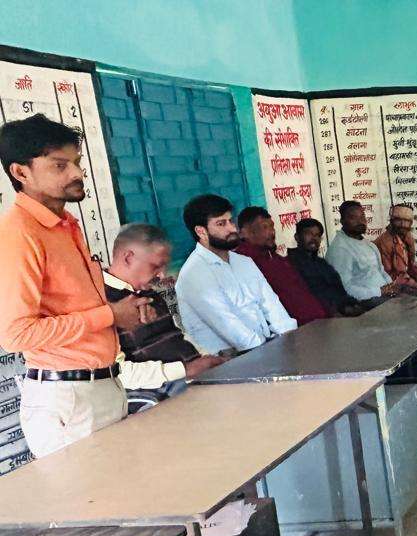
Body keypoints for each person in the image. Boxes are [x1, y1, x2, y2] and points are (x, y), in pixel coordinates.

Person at [0, 115, 146, 457]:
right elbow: (16, 334)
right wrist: (108, 316)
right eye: (60, 165)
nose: (77, 173)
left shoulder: (66, 225)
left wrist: (118, 315)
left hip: (102, 386)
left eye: (77, 162)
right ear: (21, 173)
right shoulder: (19, 234)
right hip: (67, 400)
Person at [103, 223, 223, 390]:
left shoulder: (149, 290)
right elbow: (118, 375)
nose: (162, 275)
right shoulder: (100, 301)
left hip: (192, 376)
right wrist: (185, 370)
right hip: (158, 391)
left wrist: (207, 358)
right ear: (128, 258)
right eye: (155, 266)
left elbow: (177, 334)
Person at [175, 194, 297, 355]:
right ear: (201, 231)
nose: (232, 229)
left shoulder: (243, 262)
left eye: (230, 221)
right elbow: (231, 328)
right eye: (221, 224)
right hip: (227, 360)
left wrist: (290, 337)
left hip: (266, 348)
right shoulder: (194, 274)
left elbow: (271, 304)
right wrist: (270, 350)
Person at [233, 206, 330, 325]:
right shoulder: (243, 262)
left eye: (272, 226)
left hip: (318, 322)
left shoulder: (275, 258)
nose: (272, 232)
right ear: (244, 233)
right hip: (294, 330)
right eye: (264, 227)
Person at [325, 200, 412, 302]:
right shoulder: (340, 249)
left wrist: (391, 287)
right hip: (364, 302)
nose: (360, 221)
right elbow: (344, 289)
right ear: (342, 221)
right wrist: (380, 291)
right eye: (353, 217)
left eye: (362, 217)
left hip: (385, 295)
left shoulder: (369, 245)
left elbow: (381, 271)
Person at [287, 218, 366, 317]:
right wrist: (339, 310)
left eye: (317, 235)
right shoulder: (290, 264)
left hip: (342, 310)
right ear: (297, 237)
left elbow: (339, 290)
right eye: (309, 234)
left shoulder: (322, 263)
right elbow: (307, 298)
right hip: (321, 316)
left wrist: (353, 304)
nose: (314, 238)